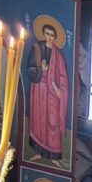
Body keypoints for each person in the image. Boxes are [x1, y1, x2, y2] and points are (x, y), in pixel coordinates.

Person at [28, 21, 69, 161]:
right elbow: (30, 69)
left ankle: (54, 156)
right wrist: (41, 70)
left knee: (53, 122)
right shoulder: (37, 48)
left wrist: (60, 91)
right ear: (44, 34)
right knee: (39, 120)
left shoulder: (59, 55)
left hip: (53, 91)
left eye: (52, 35)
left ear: (55, 36)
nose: (49, 37)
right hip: (39, 89)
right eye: (47, 34)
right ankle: (39, 152)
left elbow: (63, 76)